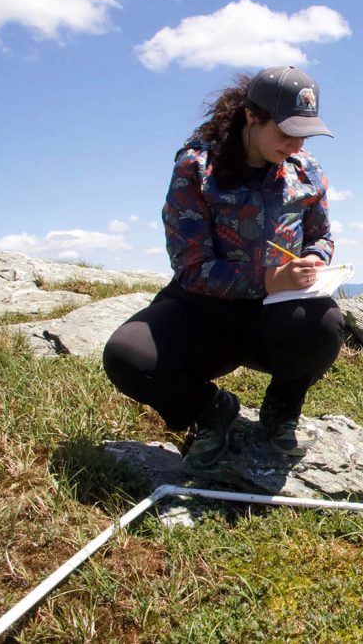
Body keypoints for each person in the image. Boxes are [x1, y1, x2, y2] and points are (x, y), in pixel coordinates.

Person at [103, 65, 345, 469]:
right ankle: (211, 410)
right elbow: (191, 267)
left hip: (273, 316)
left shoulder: (305, 170)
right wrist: (267, 278)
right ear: (252, 116)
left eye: (304, 132)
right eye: (286, 131)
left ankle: (281, 411)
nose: (295, 143)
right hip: (204, 312)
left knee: (325, 325)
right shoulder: (197, 168)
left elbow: (321, 236)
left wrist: (314, 261)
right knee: (128, 357)